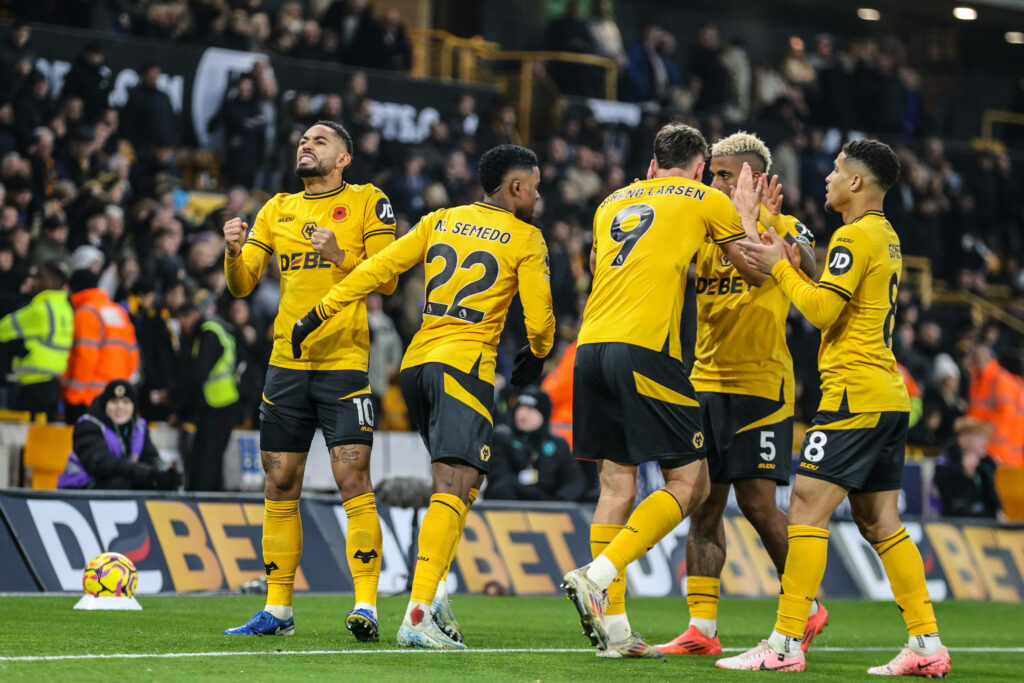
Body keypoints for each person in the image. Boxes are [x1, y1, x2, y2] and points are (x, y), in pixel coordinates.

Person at [292, 144, 555, 648]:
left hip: (416, 367)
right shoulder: (527, 237)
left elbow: (375, 268)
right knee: (452, 488)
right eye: (536, 186)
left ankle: (430, 598)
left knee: (465, 483)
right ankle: (417, 615)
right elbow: (539, 317)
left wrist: (320, 311)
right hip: (464, 367)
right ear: (516, 188)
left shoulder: (441, 219)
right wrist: (538, 351)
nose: (539, 195)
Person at [724, 139, 950, 676]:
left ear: (856, 184)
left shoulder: (853, 235)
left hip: (855, 396)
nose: (826, 176)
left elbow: (823, 310)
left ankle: (783, 644)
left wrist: (780, 267)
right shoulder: (885, 235)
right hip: (886, 398)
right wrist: (786, 242)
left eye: (835, 169)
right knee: (880, 522)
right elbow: (829, 283)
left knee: (804, 505)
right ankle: (925, 644)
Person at [560, 123, 764, 659]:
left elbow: (603, 267)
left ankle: (618, 633)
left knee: (616, 486)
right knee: (690, 484)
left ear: (653, 164)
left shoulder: (611, 202)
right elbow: (755, 271)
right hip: (648, 351)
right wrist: (744, 212)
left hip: (589, 347)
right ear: (700, 169)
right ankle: (599, 574)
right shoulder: (704, 197)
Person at [222, 120, 398, 642]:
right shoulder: (276, 209)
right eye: (303, 139)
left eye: (319, 141)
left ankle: (366, 602)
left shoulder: (370, 201)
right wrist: (234, 253)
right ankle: (277, 611)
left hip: (344, 363)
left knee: (352, 481)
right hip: (286, 365)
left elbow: (387, 278)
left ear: (343, 158)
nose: (306, 144)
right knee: (279, 485)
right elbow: (242, 285)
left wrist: (339, 256)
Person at [656, 132, 827, 656]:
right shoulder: (702, 226)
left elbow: (817, 273)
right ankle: (701, 630)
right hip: (705, 381)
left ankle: (808, 604)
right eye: (713, 174)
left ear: (755, 176)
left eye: (726, 174)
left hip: (762, 386)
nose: (715, 182)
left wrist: (774, 233)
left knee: (757, 503)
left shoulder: (783, 224)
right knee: (703, 506)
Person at [58, 379, 181, 491]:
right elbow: (101, 464)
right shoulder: (88, 425)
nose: (120, 407)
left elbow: (150, 458)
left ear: (134, 407)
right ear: (105, 404)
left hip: (115, 485)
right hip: (79, 489)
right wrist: (145, 474)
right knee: (123, 483)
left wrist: (163, 473)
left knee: (154, 484)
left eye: (126, 402)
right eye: (114, 401)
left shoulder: (139, 427)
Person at [173, 303, 240, 492]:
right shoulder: (214, 330)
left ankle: (204, 500)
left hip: (219, 404)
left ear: (191, 316)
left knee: (207, 459)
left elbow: (198, 374)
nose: (183, 330)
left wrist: (174, 397)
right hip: (218, 403)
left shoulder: (208, 332)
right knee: (211, 458)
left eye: (182, 323)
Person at [63, 269, 140, 422]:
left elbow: (85, 356)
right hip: (116, 397)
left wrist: (74, 395)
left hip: (88, 398)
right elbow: (132, 355)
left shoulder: (86, 313)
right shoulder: (117, 311)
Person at [0, 261, 72, 421]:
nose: (33, 283)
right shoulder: (64, 308)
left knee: (25, 438)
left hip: (33, 382)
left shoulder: (40, 309)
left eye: (37, 279)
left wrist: (23, 297)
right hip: (52, 381)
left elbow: (3, 328)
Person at [487, 386, 583, 502]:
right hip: (512, 506)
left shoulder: (558, 444)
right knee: (502, 489)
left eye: (530, 409)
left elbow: (575, 480)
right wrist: (538, 498)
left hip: (551, 508)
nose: (523, 413)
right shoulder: (501, 438)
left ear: (543, 414)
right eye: (520, 407)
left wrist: (559, 502)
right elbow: (500, 476)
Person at [934, 416, 1006, 520]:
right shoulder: (946, 460)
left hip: (981, 515)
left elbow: (989, 491)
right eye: (979, 436)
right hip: (952, 517)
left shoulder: (985, 462)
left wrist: (998, 510)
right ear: (963, 439)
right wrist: (965, 475)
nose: (984, 441)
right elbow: (948, 499)